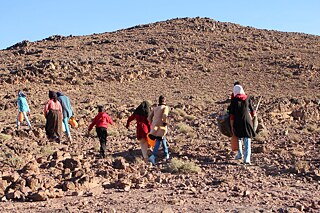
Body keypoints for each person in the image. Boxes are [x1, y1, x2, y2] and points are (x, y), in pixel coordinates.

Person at [229, 85, 256, 164]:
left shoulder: (234, 101)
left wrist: (231, 125)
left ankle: (240, 154)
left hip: (237, 121)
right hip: (247, 121)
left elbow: (232, 115)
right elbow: (253, 112)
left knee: (238, 137)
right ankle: (247, 159)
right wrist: (253, 116)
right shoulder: (247, 98)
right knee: (247, 139)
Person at [148, 95, 170, 165]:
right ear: (165, 101)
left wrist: (152, 123)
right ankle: (153, 156)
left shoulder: (155, 108)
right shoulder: (165, 107)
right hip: (161, 127)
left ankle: (166, 154)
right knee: (159, 140)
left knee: (163, 139)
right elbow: (164, 115)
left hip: (155, 127)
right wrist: (165, 122)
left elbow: (149, 118)